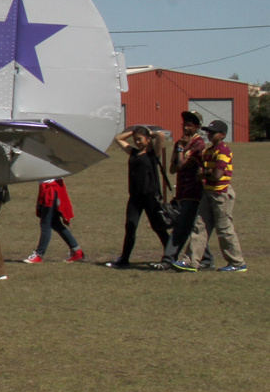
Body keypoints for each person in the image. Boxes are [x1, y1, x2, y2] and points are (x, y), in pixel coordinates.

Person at [178, 120, 247, 272]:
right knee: (199, 227)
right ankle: (190, 262)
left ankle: (237, 263)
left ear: (222, 135)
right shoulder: (208, 152)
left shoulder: (223, 151)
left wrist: (203, 173)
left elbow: (217, 175)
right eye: (208, 131)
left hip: (220, 194)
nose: (209, 134)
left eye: (213, 132)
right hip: (208, 193)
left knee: (224, 229)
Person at [104, 126, 174, 269]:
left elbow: (160, 136)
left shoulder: (153, 154)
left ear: (148, 140)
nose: (137, 142)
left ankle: (171, 256)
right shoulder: (133, 152)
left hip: (151, 195)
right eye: (135, 139)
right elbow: (118, 138)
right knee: (130, 226)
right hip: (135, 197)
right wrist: (134, 131)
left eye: (140, 139)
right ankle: (124, 259)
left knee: (158, 227)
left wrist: (149, 133)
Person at [166, 111, 210, 270]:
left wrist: (179, 149)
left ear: (197, 127)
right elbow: (172, 168)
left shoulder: (198, 144)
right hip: (182, 191)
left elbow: (183, 165)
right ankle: (206, 258)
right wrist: (178, 149)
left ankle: (168, 258)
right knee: (191, 225)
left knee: (184, 224)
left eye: (190, 125)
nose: (185, 127)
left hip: (194, 191)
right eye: (184, 124)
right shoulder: (182, 143)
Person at [23, 179, 83, 264]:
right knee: (55, 223)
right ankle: (76, 251)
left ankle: (39, 254)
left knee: (45, 224)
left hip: (50, 188)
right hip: (48, 187)